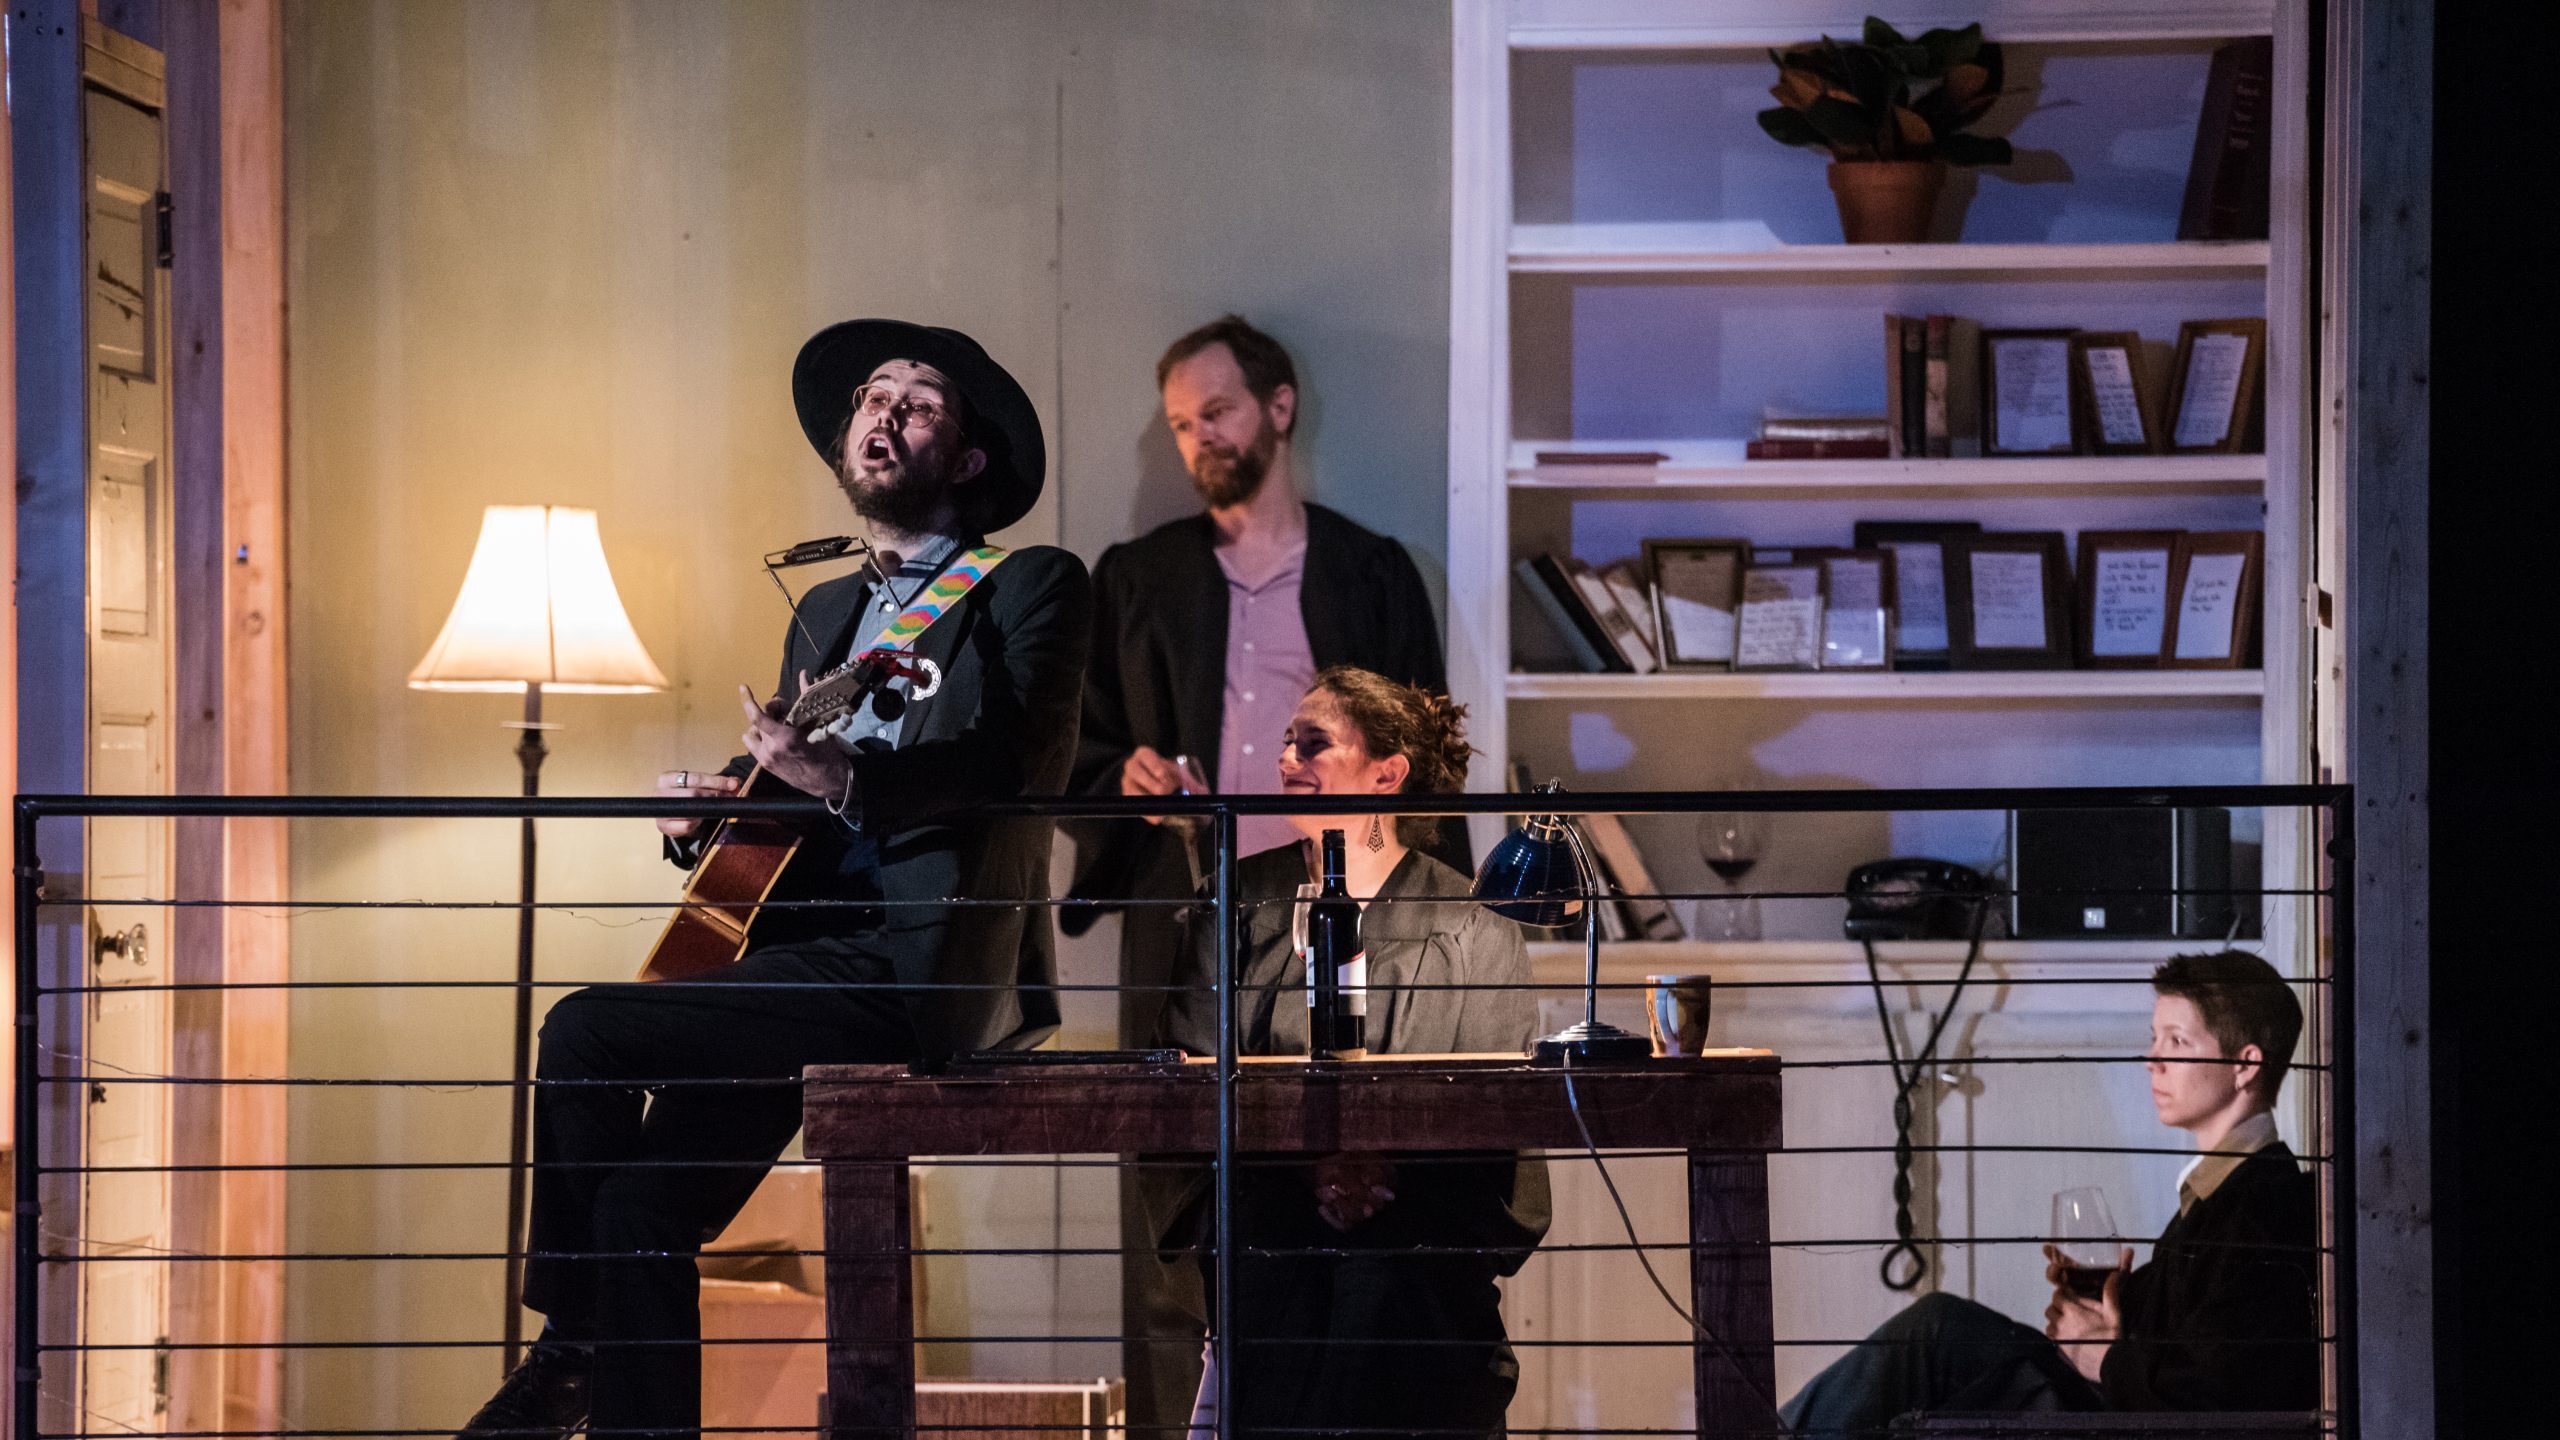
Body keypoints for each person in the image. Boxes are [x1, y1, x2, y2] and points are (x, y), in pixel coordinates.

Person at [456, 320, 1093, 1440]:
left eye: (919, 404)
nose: (883, 415)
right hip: (788, 962)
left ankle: (569, 1354)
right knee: (642, 1207)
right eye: (871, 396)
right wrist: (711, 814)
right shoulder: (831, 610)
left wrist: (847, 780)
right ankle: (612, 1398)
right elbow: (787, 799)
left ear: (971, 458)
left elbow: (1017, 763)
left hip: (915, 964)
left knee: (585, 1034)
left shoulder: (1029, 586)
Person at [1067, 315, 1456, 1426]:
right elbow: (1079, 749)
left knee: (1352, 1181)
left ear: (1279, 408)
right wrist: (1126, 774)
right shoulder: (1136, 578)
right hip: (1185, 918)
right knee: (1171, 1197)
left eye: (1218, 411)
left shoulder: (1369, 571)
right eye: (1181, 424)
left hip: (1341, 920)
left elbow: (1427, 764)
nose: (1199, 438)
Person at [1151, 667, 1548, 1440]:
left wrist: (1380, 1175)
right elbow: (1190, 1078)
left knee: (1391, 1299)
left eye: (1313, 743)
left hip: (1421, 1255)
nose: (1285, 760)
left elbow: (1496, 1101)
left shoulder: (1473, 922)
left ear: (1388, 772)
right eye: (1286, 744)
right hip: (1275, 1241)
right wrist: (1310, 1171)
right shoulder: (1232, 904)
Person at [1780, 949, 2320, 1436]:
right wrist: (2111, 1295)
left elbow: (2223, 1393)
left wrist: (2100, 1357)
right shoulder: (2222, 1187)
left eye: (2177, 1042)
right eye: (2155, 1038)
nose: (2152, 1060)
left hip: (2123, 1420)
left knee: (1932, 1354)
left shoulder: (2259, 1203)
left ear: (2246, 1065)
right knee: (1936, 1335)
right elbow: (2192, 1325)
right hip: (2119, 1403)